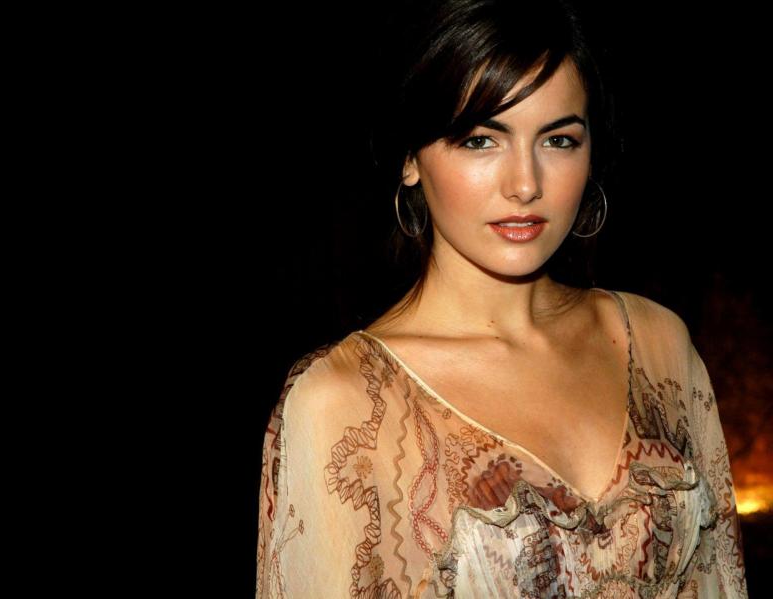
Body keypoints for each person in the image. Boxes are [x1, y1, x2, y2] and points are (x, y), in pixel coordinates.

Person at [256, 0, 748, 596]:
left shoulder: (658, 342)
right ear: (410, 159)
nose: (525, 184)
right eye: (480, 140)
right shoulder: (343, 401)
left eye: (558, 140)